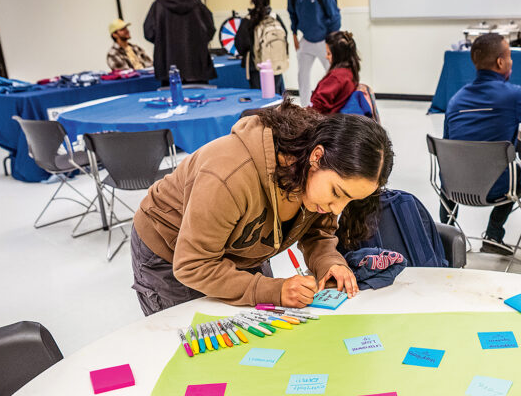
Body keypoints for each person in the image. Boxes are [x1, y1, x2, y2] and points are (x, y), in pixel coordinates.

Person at [130, 100, 394, 314]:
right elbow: (193, 265)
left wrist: (329, 262)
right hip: (171, 251)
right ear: (316, 156)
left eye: (349, 200)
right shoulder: (230, 175)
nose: (337, 209)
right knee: (198, 349)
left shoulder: (315, 184)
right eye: (337, 193)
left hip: (242, 247)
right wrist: (272, 290)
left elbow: (317, 233)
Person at [442, 33, 521, 255]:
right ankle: (494, 234)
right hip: (496, 189)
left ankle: (445, 236)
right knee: (516, 171)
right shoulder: (512, 96)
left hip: (454, 187)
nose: (511, 61)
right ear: (500, 62)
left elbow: (447, 147)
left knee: (449, 169)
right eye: (509, 56)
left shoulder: (455, 99)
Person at [143, 0, 216, 84]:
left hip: (168, 70)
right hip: (196, 69)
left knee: (172, 100)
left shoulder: (159, 5)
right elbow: (210, 30)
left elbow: (149, 32)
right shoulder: (197, 4)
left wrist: (164, 42)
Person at [287, 0, 341, 107]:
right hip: (306, 41)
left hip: (324, 41)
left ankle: (336, 106)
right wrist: (293, 35)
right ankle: (305, 108)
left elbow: (335, 17)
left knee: (333, 75)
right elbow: (292, 15)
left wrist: (331, 42)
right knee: (302, 75)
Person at [235, 0, 288, 95]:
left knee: (259, 96)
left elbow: (240, 43)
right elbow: (284, 37)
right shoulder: (275, 17)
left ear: (253, 1)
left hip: (256, 66)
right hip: (275, 63)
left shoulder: (248, 19)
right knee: (275, 95)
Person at [310, 31, 359, 114]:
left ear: (338, 55)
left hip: (324, 121)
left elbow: (317, 107)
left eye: (329, 53)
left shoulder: (336, 77)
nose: (326, 57)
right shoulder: (350, 71)